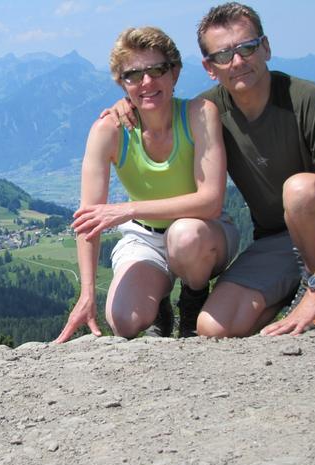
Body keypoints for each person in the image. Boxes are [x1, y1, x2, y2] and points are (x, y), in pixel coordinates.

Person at [105, 2, 315, 337]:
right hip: (276, 242)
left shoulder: (306, 99)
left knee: (301, 191)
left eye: (247, 47)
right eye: (223, 54)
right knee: (213, 327)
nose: (237, 61)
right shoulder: (208, 111)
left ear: (266, 48)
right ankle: (292, 291)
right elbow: (160, 106)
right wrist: (127, 105)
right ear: (209, 67)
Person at [54, 26, 239, 343]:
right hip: (145, 237)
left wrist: (129, 209)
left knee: (185, 235)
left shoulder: (198, 114)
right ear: (121, 83)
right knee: (123, 321)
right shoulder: (108, 130)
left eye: (157, 70)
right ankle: (159, 308)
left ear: (175, 72)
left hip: (205, 232)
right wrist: (87, 293)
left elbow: (210, 202)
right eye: (133, 75)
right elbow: (89, 218)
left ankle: (193, 300)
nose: (147, 82)